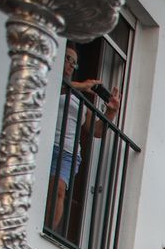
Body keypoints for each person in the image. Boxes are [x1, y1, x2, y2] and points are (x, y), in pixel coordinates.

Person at [50, 43, 122, 233]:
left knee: (58, 191)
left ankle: (48, 231)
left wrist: (111, 112)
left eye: (74, 63)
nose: (70, 65)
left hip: (68, 152)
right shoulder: (50, 82)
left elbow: (96, 131)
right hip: (47, 144)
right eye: (67, 59)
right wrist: (81, 86)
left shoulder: (77, 99)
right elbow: (48, 85)